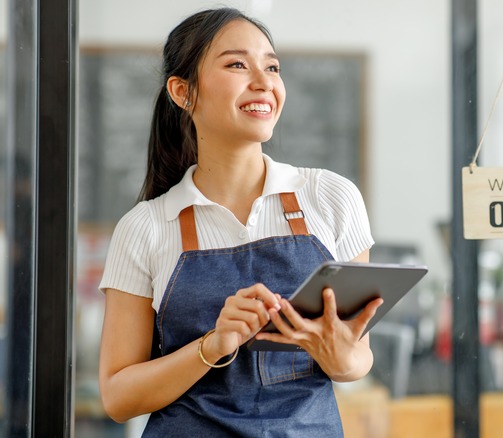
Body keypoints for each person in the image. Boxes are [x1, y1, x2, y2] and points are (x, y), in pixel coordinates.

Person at [98, 8, 382, 437]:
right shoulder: (147, 227)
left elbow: (357, 358)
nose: (264, 81)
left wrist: (338, 355)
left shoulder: (331, 198)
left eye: (272, 66)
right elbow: (118, 398)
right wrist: (213, 345)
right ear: (182, 91)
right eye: (236, 64)